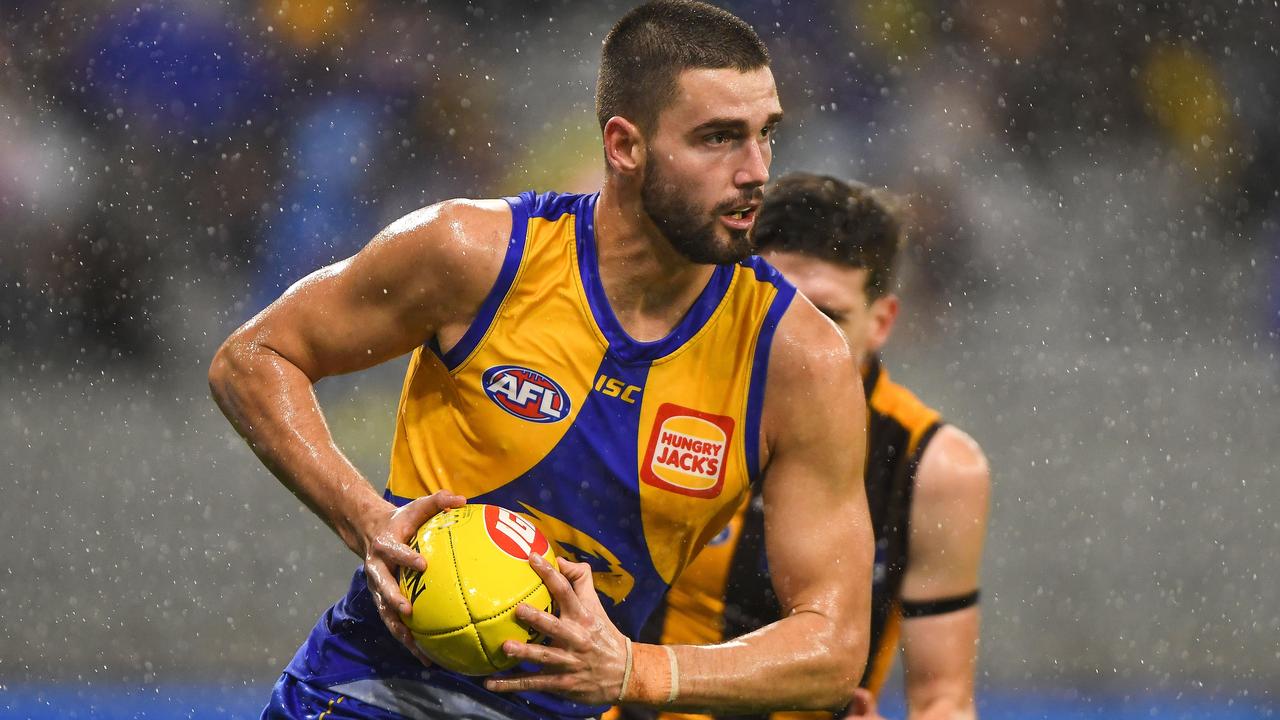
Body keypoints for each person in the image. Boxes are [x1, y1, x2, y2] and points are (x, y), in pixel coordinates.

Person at [208, 3, 874, 719]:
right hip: (365, 691)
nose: (755, 172)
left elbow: (833, 647)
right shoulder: (472, 254)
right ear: (625, 146)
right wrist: (365, 518)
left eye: (765, 134)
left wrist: (635, 671)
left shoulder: (798, 359)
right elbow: (252, 357)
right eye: (718, 138)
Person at [621, 174, 991, 720]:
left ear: (882, 322)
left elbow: (943, 699)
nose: (801, 337)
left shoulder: (935, 467)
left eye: (829, 317)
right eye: (781, 304)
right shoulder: (644, 398)